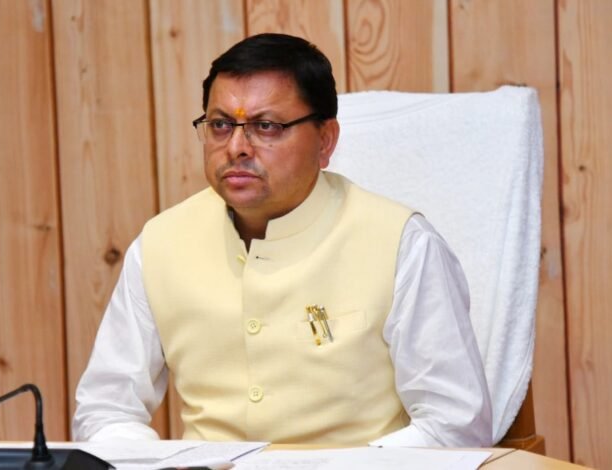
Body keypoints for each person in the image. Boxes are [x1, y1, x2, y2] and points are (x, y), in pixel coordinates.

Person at [73, 33, 491, 447]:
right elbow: (105, 411)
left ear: (325, 141)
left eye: (266, 126)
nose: (236, 147)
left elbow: (454, 422)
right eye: (220, 125)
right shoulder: (160, 244)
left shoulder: (401, 244)